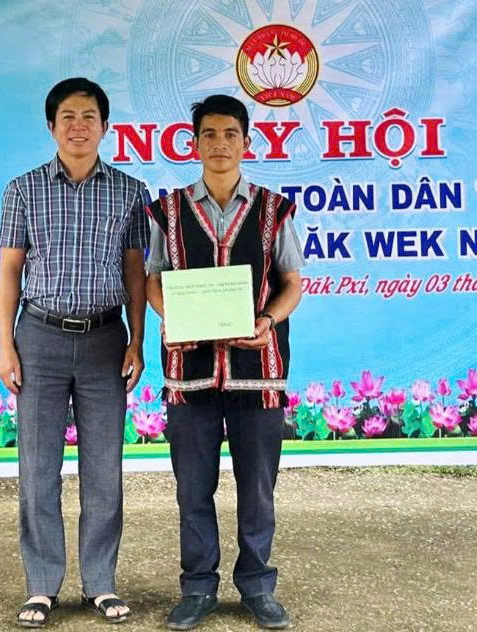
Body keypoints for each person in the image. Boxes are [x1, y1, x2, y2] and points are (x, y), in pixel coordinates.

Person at [145, 95, 304, 630]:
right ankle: (198, 588)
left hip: (257, 373)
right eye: (209, 134)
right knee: (193, 487)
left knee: (257, 487)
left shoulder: (273, 210)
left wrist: (268, 320)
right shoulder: (168, 212)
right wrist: (172, 316)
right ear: (193, 144)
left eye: (230, 134)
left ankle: (257, 585)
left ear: (246, 142)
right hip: (189, 373)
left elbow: (292, 283)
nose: (219, 144)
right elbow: (153, 279)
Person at [0, 77, 149, 628]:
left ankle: (100, 583)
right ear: (51, 126)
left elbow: (135, 271)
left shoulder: (130, 192)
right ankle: (41, 585)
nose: (78, 126)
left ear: (105, 127)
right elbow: (9, 271)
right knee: (38, 467)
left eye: (89, 117)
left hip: (106, 339)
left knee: (104, 468)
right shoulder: (23, 190)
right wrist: (6, 346)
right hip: (40, 338)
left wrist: (137, 340)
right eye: (68, 117)